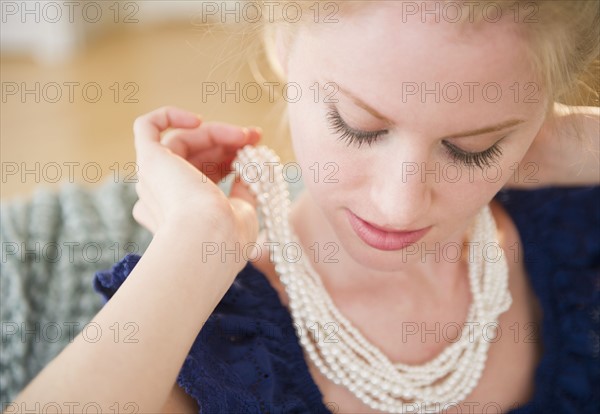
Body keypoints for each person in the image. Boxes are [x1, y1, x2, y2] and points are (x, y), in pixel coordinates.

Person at [7, 1, 599, 413]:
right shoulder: (208, 339)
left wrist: (576, 147)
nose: (398, 204)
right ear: (280, 43)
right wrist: (192, 247)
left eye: (473, 147)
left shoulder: (573, 228)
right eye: (359, 127)